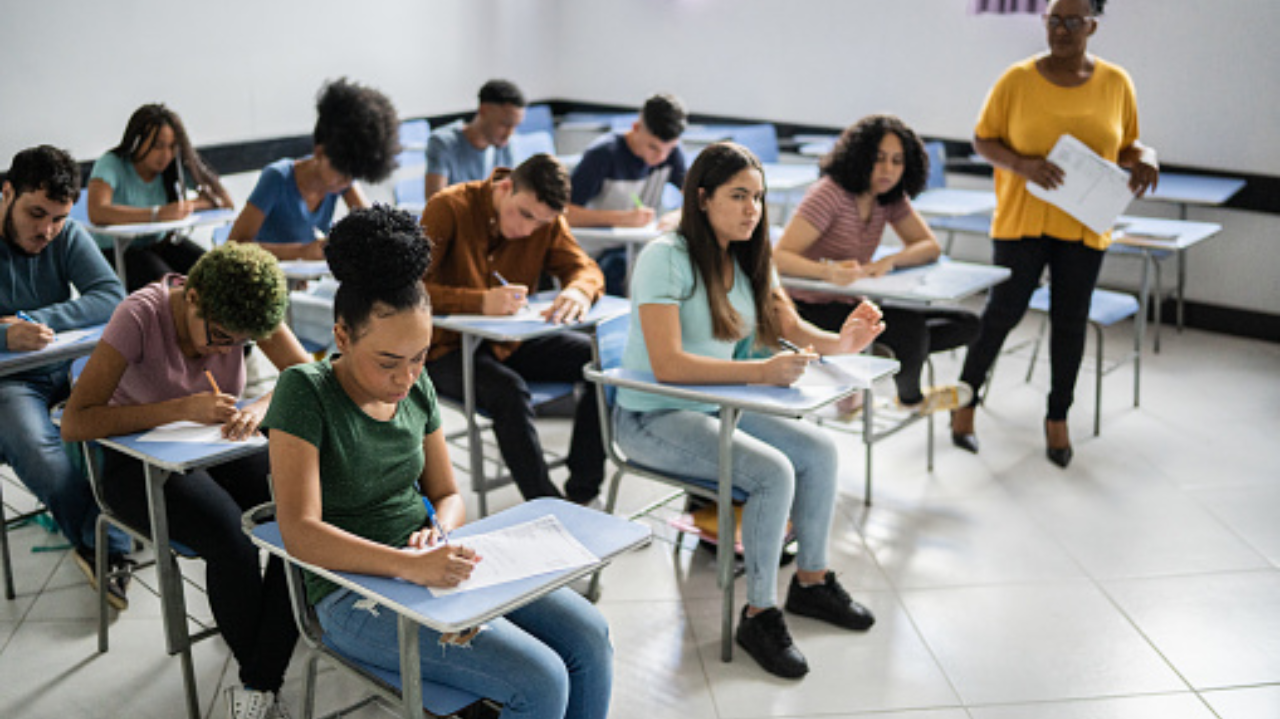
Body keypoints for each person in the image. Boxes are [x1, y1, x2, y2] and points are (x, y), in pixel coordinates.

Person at [265, 205, 613, 719]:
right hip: (349, 592)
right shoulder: (305, 390)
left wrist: (438, 532)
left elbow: (448, 494)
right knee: (541, 679)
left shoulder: (416, 384)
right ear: (342, 337)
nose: (406, 378)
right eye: (388, 362)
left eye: (420, 357)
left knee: (591, 636)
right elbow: (299, 532)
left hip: (429, 564)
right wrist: (409, 565)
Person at [615, 142, 884, 679]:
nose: (752, 209)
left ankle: (811, 583)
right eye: (738, 196)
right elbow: (667, 364)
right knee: (772, 473)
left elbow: (791, 328)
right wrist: (759, 373)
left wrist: (842, 342)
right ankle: (759, 615)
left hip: (718, 404)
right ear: (702, 197)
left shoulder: (748, 254)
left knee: (820, 452)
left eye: (757, 197)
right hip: (653, 416)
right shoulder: (665, 257)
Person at [60, 242, 313, 719]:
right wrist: (177, 409)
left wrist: (261, 407)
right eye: (219, 336)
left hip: (213, 447)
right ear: (193, 297)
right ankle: (265, 667)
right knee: (231, 538)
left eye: (239, 344)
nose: (222, 351)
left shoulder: (248, 308)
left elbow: (305, 374)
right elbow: (75, 423)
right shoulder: (140, 315)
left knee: (302, 512)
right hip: (134, 466)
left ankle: (259, 671)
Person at [952, 0, 1159, 468]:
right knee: (1002, 313)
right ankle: (964, 403)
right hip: (1023, 221)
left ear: (1092, 26)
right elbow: (983, 139)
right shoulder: (1016, 79)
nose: (1061, 30)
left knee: (1070, 321)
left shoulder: (1116, 82)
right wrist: (1022, 165)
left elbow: (1127, 145)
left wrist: (1147, 156)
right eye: (1053, 20)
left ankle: (1057, 418)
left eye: (1072, 21)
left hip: (1084, 224)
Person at [422, 154, 607, 505]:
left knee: (599, 362)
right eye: (524, 214)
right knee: (509, 392)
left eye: (540, 222)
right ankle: (547, 505)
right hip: (444, 349)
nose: (528, 229)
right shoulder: (448, 206)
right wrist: (478, 302)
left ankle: (582, 494)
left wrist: (579, 291)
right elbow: (407, 288)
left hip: (510, 343)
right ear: (505, 187)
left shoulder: (545, 219)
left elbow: (585, 269)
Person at [774, 114, 979, 415]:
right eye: (879, 158)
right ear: (859, 156)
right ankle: (911, 402)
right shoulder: (829, 194)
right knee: (909, 330)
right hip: (810, 307)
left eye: (897, 161)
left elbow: (929, 247)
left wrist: (890, 260)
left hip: (852, 302)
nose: (888, 169)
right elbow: (779, 257)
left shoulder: (888, 197)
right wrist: (826, 272)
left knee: (966, 324)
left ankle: (876, 371)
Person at [0, 145, 133, 608]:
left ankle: (112, 533)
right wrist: (4, 336)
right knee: (44, 457)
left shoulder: (65, 233)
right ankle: (109, 546)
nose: (47, 230)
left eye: (58, 218)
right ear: (7, 193)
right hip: (9, 382)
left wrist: (30, 320)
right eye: (36, 214)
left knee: (125, 430)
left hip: (68, 366)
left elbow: (111, 297)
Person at [227, 78, 400, 261]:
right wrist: (301, 252)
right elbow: (234, 246)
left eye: (353, 176)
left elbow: (373, 226)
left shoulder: (343, 180)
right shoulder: (277, 177)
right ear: (320, 152)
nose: (347, 182)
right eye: (342, 173)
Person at [86, 103, 235, 291]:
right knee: (173, 289)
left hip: (159, 245)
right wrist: (158, 214)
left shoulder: (172, 167)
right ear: (137, 141)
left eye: (172, 146)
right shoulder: (112, 163)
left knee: (216, 273)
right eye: (158, 146)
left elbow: (225, 201)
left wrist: (190, 205)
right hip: (117, 252)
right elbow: (97, 212)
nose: (166, 155)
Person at [567, 93, 688, 296]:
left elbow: (699, 200)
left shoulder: (672, 154)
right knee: (631, 270)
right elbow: (564, 213)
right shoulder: (603, 154)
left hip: (639, 246)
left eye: (669, 149)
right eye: (653, 147)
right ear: (636, 128)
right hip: (598, 253)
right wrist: (621, 219)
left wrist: (677, 216)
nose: (661, 157)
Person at [424, 79, 526, 202]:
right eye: (504, 124)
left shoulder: (507, 145)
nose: (510, 133)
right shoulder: (443, 143)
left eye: (515, 126)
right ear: (483, 110)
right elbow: (435, 203)